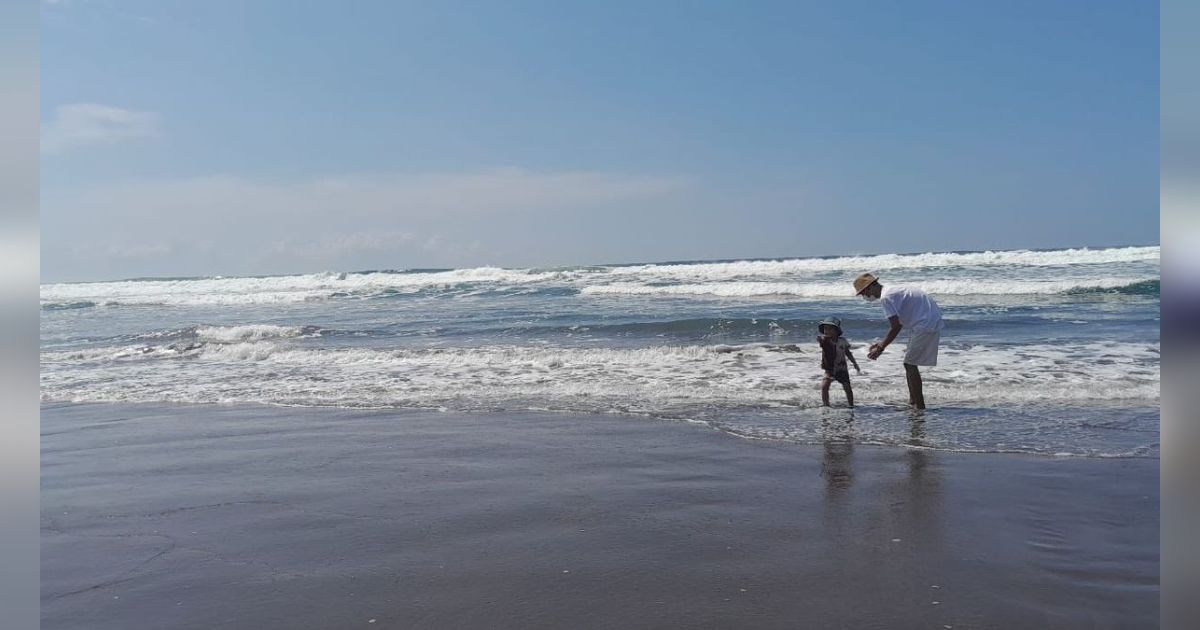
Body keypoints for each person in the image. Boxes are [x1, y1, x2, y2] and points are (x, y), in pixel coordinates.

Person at [853, 273, 944, 410]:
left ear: (870, 288)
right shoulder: (892, 290)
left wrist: (881, 348)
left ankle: (919, 406)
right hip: (928, 320)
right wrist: (882, 343)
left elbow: (896, 326)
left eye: (863, 293)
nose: (863, 297)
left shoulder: (886, 297)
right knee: (909, 363)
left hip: (924, 323)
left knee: (909, 364)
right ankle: (913, 401)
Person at [816, 317, 861, 408]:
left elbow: (848, 353)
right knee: (824, 386)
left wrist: (855, 363)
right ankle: (826, 405)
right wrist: (820, 340)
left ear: (836, 331)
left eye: (830, 329)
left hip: (842, 368)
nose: (827, 331)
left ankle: (851, 405)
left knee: (847, 388)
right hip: (830, 369)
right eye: (825, 329)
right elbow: (821, 341)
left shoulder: (842, 341)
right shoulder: (825, 341)